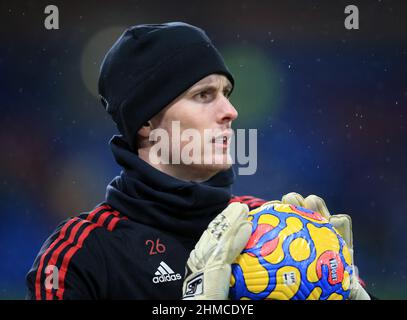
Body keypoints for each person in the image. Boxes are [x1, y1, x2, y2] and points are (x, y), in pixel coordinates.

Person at [26, 22, 370, 300]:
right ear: (146, 121)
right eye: (203, 95)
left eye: (226, 94)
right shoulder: (81, 254)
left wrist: (347, 291)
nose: (230, 112)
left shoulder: (272, 233)